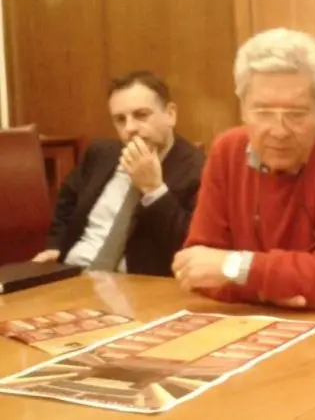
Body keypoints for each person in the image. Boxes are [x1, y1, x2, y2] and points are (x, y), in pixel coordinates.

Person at [172, 28, 315, 308]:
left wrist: (237, 268)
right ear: (243, 108)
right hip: (261, 318)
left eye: (296, 114)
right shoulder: (227, 151)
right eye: (263, 112)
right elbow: (197, 268)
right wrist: (277, 291)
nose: (279, 131)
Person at [32, 71, 206, 277]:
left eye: (141, 115)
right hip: (70, 271)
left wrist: (154, 191)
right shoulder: (100, 153)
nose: (129, 128)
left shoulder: (199, 170)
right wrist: (56, 246)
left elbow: (190, 247)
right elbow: (67, 199)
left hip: (133, 283)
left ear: (170, 114)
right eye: (120, 119)